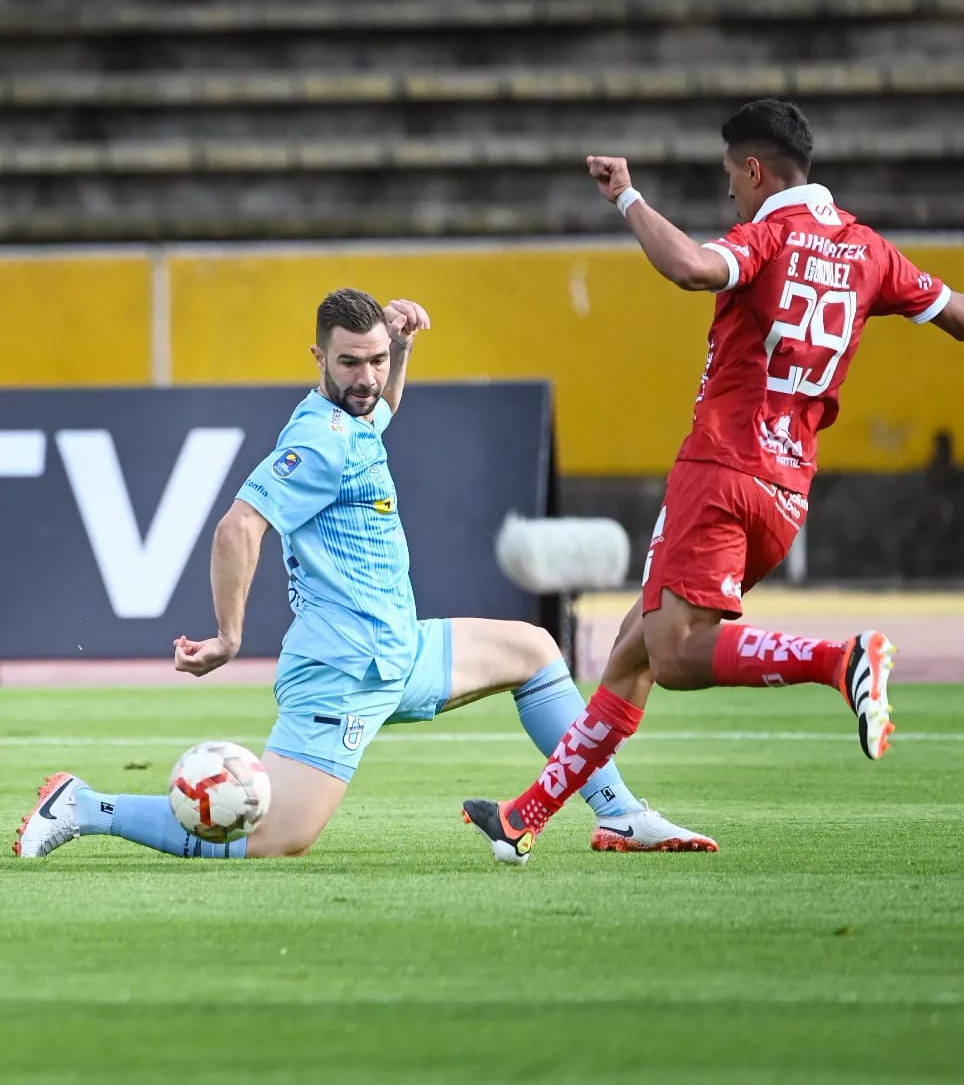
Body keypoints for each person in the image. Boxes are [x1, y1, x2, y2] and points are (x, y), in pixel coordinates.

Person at [463, 97, 964, 864]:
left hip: (718, 470)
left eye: (731, 181)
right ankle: (525, 817)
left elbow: (690, 267)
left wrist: (627, 198)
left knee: (672, 655)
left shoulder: (769, 234)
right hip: (786, 493)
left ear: (753, 169)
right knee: (633, 652)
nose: (731, 197)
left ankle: (839, 661)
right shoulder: (870, 252)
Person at [16, 288, 715, 861]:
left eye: (377, 360)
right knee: (275, 837)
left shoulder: (352, 418)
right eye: (352, 364)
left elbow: (380, 413)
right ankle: (83, 805)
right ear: (318, 357)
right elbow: (237, 527)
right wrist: (228, 638)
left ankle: (620, 814)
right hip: (344, 667)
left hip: (396, 649)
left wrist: (402, 348)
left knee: (535, 651)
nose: (368, 379)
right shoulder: (318, 441)